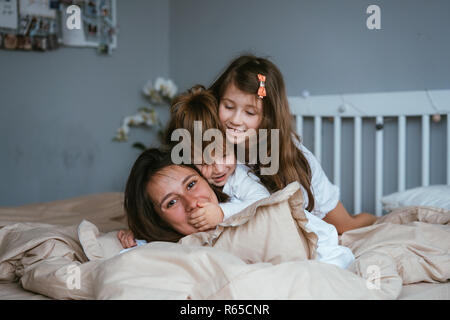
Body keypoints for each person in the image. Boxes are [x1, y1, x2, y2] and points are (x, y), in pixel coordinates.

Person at [209, 54, 377, 234]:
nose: (235, 120)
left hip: (302, 188)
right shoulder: (207, 136)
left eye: (250, 112)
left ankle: (377, 219)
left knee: (346, 226)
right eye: (228, 107)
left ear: (268, 117)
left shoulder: (290, 158)